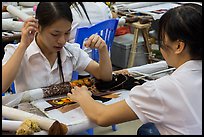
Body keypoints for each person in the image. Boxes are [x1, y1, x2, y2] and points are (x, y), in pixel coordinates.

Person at [67, 3, 202, 135]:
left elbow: (102, 116)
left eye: (161, 39)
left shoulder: (163, 89)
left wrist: (83, 97)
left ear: (178, 46)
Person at [2, 2, 112, 93]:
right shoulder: (19, 52)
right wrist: (23, 45)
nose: (62, 41)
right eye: (55, 34)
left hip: (61, 113)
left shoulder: (70, 51)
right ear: (38, 27)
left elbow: (105, 77)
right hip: (28, 117)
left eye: (67, 33)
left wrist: (103, 50)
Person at [68, 2, 116, 79]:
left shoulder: (70, 12)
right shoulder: (103, 7)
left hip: (81, 69)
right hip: (101, 62)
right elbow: (114, 17)